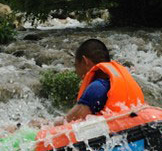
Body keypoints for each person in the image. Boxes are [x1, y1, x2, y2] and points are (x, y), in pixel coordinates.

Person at [9, 39, 145, 132]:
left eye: (76, 65)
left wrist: (35, 124)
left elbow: (67, 123)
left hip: (117, 137)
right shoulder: (126, 81)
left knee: (33, 124)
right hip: (136, 131)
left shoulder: (96, 88)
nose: (76, 71)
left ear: (85, 61)